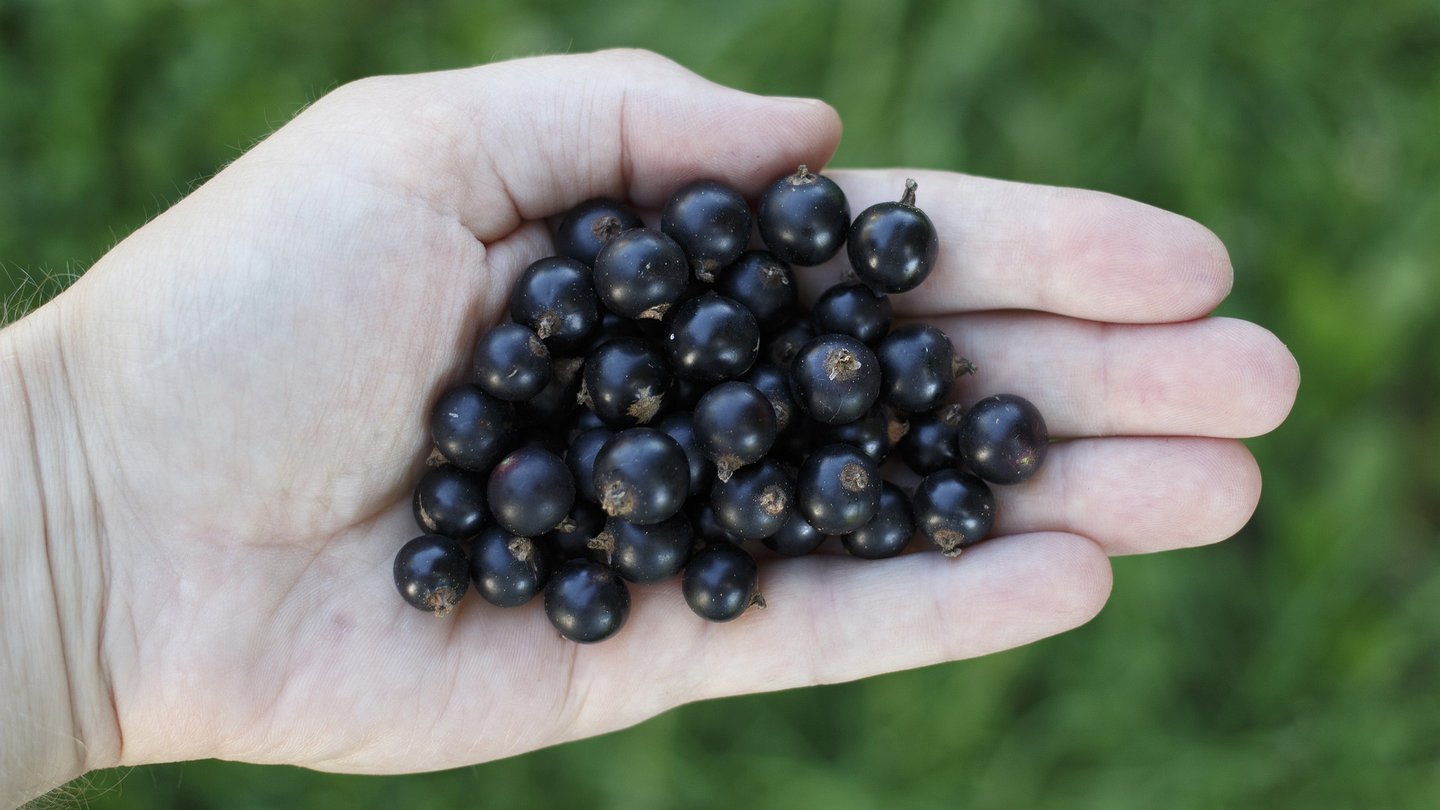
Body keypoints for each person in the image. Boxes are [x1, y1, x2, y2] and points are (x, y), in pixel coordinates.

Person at [0, 49, 1299, 805]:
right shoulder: (592, 436)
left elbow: (718, 443)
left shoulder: (703, 414)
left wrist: (80, 499)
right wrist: (75, 487)